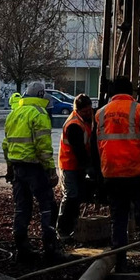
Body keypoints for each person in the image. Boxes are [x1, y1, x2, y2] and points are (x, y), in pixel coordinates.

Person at [92, 76, 140, 275]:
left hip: (111, 174)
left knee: (118, 219)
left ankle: (121, 263)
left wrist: (98, 175)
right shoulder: (139, 111)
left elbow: (94, 149)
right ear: (131, 92)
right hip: (136, 173)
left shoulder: (100, 113)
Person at [3, 82, 67, 262]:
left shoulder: (14, 113)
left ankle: (22, 250)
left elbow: (6, 144)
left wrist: (9, 167)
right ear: (41, 96)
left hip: (17, 168)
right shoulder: (39, 114)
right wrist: (50, 170)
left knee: (22, 208)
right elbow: (43, 147)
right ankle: (50, 248)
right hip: (35, 168)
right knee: (48, 207)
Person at [57, 94, 97, 240]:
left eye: (89, 110)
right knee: (71, 196)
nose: (88, 114)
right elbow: (79, 150)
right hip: (69, 165)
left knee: (76, 197)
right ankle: (62, 230)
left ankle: (71, 228)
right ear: (77, 110)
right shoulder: (74, 125)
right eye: (85, 111)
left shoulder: (84, 120)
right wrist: (89, 168)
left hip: (76, 166)